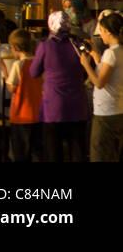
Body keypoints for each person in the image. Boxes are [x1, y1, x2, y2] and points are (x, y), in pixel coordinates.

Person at [31, 10, 90, 163]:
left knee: (53, 151)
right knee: (78, 150)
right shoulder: (77, 45)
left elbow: (33, 72)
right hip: (78, 105)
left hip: (54, 107)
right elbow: (86, 69)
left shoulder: (45, 46)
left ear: (51, 25)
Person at [80, 10, 123, 161]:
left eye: (102, 32)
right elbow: (108, 72)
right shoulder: (119, 52)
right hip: (118, 110)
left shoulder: (111, 53)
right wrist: (94, 55)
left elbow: (99, 82)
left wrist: (86, 65)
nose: (101, 35)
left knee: (100, 155)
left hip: (106, 114)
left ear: (107, 31)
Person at [5, 27, 43, 161]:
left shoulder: (18, 64)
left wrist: (4, 70)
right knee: (36, 152)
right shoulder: (38, 63)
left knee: (20, 153)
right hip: (38, 113)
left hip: (21, 114)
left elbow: (11, 87)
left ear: (13, 47)